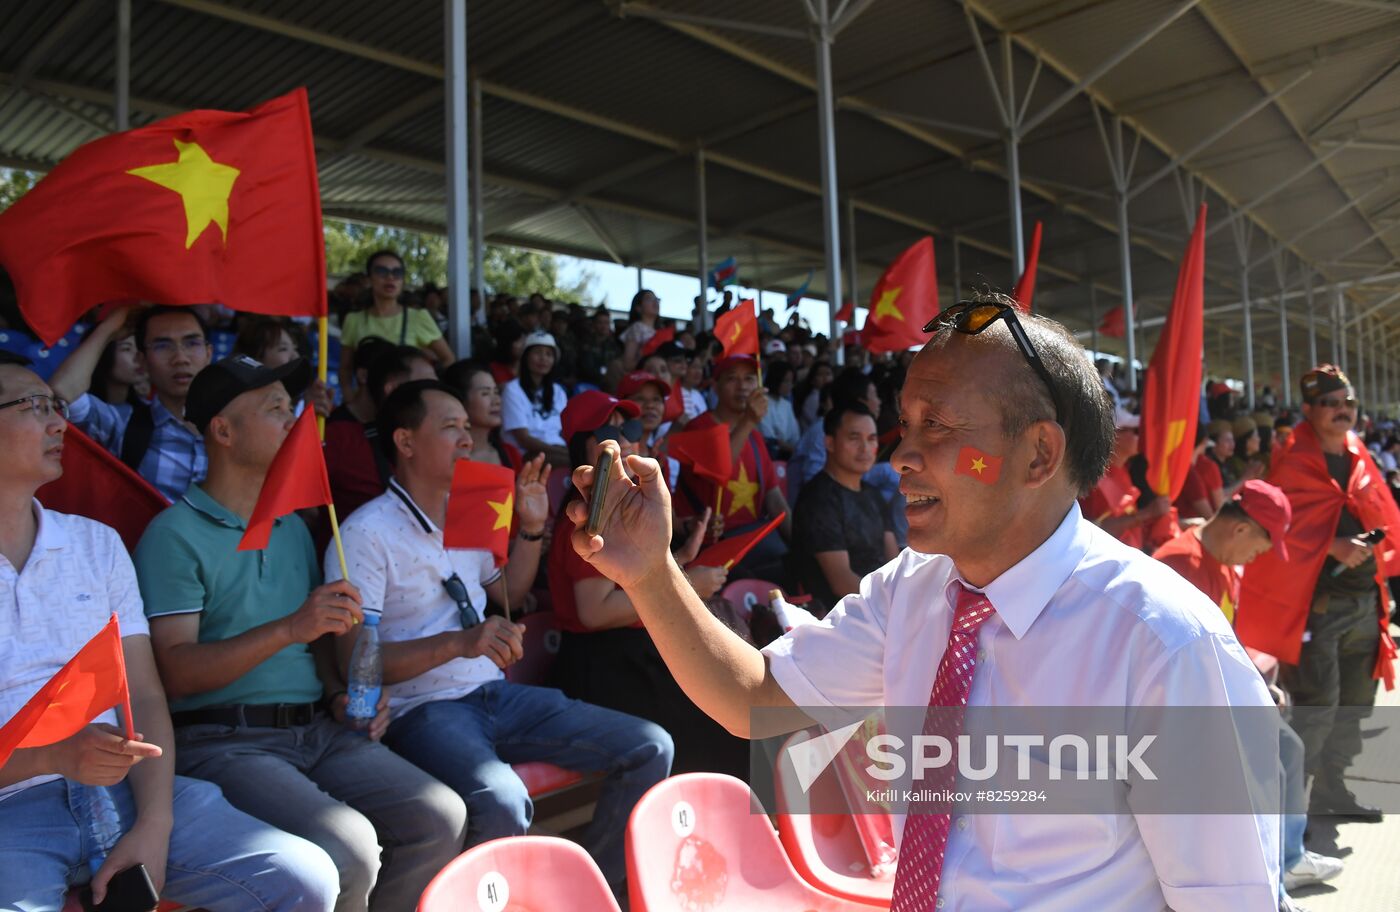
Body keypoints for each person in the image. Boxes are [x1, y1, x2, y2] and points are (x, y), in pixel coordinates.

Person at [571, 296, 1282, 909]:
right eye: (905, 425)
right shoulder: (911, 590)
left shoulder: (1163, 645)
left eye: (937, 427)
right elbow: (754, 698)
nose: (900, 456)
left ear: (1038, 456)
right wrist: (651, 575)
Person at [0, 351, 339, 911]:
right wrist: (50, 758)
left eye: (56, 406)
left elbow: (145, 692)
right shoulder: (171, 535)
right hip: (13, 808)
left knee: (304, 878)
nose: (59, 422)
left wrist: (154, 825)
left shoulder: (97, 543)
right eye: (33, 406)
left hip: (127, 787)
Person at [134, 356, 467, 912]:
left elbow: (316, 642)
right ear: (222, 430)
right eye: (276, 411)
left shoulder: (294, 526)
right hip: (223, 742)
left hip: (316, 729)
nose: (295, 425)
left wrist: (342, 693)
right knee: (353, 850)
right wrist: (290, 626)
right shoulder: (172, 535)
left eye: (293, 410)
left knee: (440, 815)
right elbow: (176, 673)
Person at [330, 380, 672, 895]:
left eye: (468, 428)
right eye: (451, 428)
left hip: (496, 695)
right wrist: (460, 644)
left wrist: (531, 528)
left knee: (651, 746)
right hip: (423, 710)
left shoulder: (466, 509)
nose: (467, 439)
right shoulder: (364, 531)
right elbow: (356, 662)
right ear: (404, 442)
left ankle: (588, 896)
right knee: (503, 799)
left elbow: (508, 590)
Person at [1237, 364, 1400, 823]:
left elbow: (1377, 512)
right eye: (1331, 403)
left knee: (1354, 705)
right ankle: (1292, 812)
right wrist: (1332, 546)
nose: (1343, 411)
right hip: (1316, 609)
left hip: (1363, 604)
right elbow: (1274, 534)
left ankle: (1334, 789)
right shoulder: (1292, 461)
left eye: (1348, 402)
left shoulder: (1359, 455)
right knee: (1315, 708)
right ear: (1309, 410)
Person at [50, 306, 210, 502]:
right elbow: (63, 392)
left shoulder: (238, 424)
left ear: (209, 353)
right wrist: (108, 329)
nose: (180, 358)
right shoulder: (123, 423)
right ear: (141, 361)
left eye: (192, 343)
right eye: (162, 346)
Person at [675, 355, 791, 583]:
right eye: (732, 379)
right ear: (715, 387)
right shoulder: (698, 427)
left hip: (754, 546)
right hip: (712, 553)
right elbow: (719, 470)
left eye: (749, 379)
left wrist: (798, 543)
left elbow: (774, 498)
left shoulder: (756, 437)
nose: (743, 387)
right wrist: (748, 420)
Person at [788, 402, 898, 613]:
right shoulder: (818, 499)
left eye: (871, 439)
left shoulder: (873, 495)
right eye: (854, 438)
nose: (865, 449)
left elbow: (894, 563)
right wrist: (895, 607)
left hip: (881, 605)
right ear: (829, 443)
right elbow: (842, 582)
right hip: (839, 615)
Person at [325, 344, 436, 522]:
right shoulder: (337, 438)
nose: (434, 396)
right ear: (391, 389)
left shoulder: (435, 442)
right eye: (424, 387)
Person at [339, 250, 455, 390]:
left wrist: (427, 386)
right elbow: (345, 368)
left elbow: (448, 359)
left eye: (397, 272)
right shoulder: (353, 320)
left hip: (407, 404)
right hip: (367, 407)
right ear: (369, 278)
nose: (390, 277)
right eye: (382, 271)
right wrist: (349, 396)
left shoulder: (418, 317)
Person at [1081, 407, 1170, 549]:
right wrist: (1147, 513)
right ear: (1114, 436)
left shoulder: (1124, 470)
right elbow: (1094, 531)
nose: (1141, 437)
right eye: (1136, 432)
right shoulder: (1095, 480)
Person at [501, 331, 568, 466]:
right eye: (537, 352)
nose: (543, 358)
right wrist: (566, 453)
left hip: (558, 450)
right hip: (527, 453)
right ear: (525, 357)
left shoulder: (558, 391)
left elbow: (564, 431)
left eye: (549, 354)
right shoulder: (512, 390)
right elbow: (523, 439)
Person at [442, 360, 522, 469]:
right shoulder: (444, 459)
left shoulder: (510, 453)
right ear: (460, 400)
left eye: (496, 392)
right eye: (485, 393)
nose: (497, 401)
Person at [757, 361, 801, 459]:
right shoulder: (761, 401)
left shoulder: (787, 405)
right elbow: (768, 436)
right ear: (776, 380)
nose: (790, 385)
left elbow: (795, 435)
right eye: (786, 381)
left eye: (791, 382)